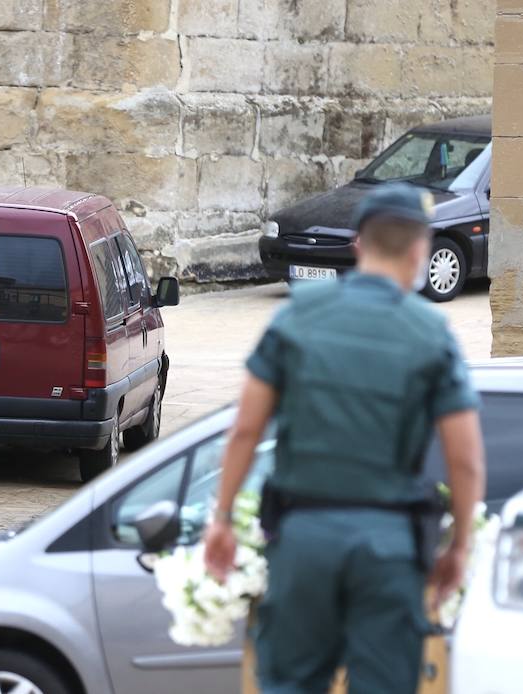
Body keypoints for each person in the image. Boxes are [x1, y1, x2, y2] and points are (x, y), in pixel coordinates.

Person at [202, 183, 486, 694]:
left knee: (290, 682)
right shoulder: (431, 333)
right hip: (389, 546)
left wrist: (222, 517)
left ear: (358, 243)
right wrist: (459, 545)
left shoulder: (297, 315)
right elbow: (464, 459)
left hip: (304, 538)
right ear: (421, 249)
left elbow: (246, 428)